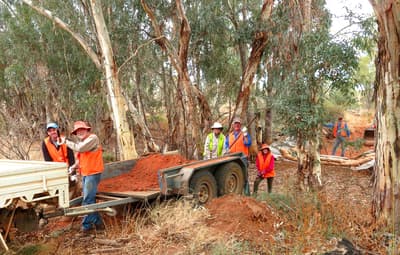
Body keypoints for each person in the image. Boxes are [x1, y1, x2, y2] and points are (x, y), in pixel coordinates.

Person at [63, 121, 105, 233]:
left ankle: (86, 226)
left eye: (82, 129)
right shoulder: (83, 141)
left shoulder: (92, 138)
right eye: (77, 131)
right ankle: (98, 223)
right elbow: (81, 158)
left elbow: (80, 148)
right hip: (86, 173)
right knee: (89, 199)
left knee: (88, 199)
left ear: (87, 130)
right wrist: (73, 167)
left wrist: (65, 142)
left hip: (93, 173)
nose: (80, 132)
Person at [225, 117, 252, 195]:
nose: (237, 125)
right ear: (233, 125)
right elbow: (226, 146)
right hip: (232, 158)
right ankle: (236, 193)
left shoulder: (244, 134)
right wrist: (227, 150)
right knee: (234, 175)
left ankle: (247, 195)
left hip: (242, 158)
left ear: (240, 125)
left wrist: (245, 135)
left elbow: (248, 143)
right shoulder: (229, 136)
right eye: (235, 124)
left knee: (245, 176)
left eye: (238, 124)